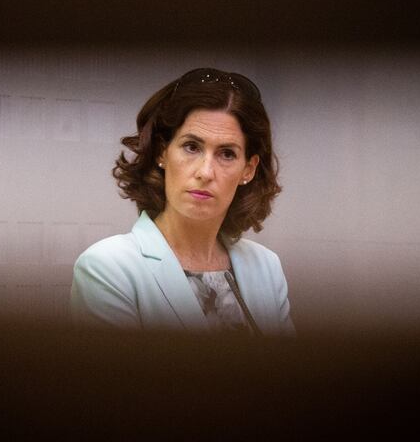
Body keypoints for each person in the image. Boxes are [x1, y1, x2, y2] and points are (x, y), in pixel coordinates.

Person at [71, 67, 295, 336]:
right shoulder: (107, 267)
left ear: (248, 169)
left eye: (226, 153)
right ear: (162, 152)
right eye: (192, 147)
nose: (205, 172)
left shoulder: (266, 266)